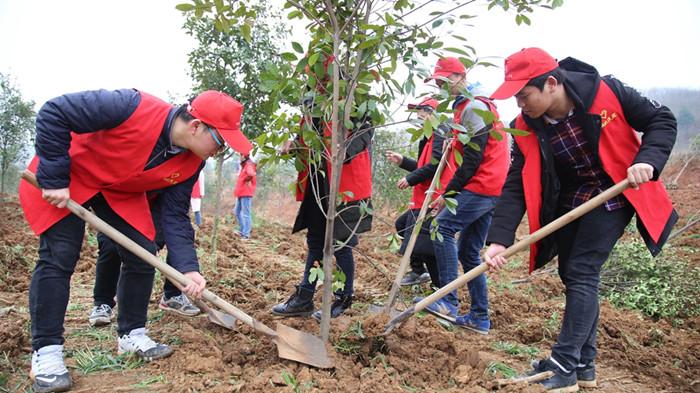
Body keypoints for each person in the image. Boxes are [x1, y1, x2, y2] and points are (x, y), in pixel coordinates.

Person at [19, 89, 251, 393]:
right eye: (220, 142)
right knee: (59, 255)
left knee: (144, 251)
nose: (220, 152)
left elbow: (175, 216)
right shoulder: (130, 105)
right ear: (196, 126)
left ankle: (131, 335)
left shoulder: (192, 163)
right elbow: (54, 112)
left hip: (118, 192)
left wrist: (189, 268)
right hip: (69, 176)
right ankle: (46, 353)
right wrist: (55, 177)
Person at [484, 48, 677, 391]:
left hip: (615, 192)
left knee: (582, 270)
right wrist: (499, 238)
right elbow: (516, 181)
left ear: (552, 84)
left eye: (524, 95)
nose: (520, 105)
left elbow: (661, 120)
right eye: (515, 98)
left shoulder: (607, 92)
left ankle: (563, 364)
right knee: (570, 272)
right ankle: (585, 365)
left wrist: (647, 159)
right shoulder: (524, 126)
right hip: (571, 198)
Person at [417, 57, 509, 336]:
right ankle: (480, 318)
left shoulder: (475, 107)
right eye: (439, 82)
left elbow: (471, 161)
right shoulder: (468, 107)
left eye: (447, 80)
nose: (443, 85)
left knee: (441, 228)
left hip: (483, 184)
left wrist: (449, 194)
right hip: (491, 186)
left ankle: (447, 302)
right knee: (469, 251)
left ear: (461, 76)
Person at [271, 99, 373, 321]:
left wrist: (344, 150)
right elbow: (309, 137)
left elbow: (366, 132)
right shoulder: (312, 98)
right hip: (317, 182)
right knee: (315, 241)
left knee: (341, 244)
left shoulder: (351, 96)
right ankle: (304, 298)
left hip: (343, 184)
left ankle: (343, 299)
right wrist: (294, 144)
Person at [88, 194, 201, 328]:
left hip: (160, 198)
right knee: (109, 245)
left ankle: (173, 295)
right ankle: (103, 302)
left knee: (175, 239)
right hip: (122, 196)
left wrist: (188, 268)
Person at [385, 97, 451, 288]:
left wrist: (410, 179)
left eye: (422, 112)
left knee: (426, 245)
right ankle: (421, 272)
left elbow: (435, 165)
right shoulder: (429, 138)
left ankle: (438, 286)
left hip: (433, 197)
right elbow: (423, 166)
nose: (418, 116)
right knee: (407, 230)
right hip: (424, 196)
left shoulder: (440, 133)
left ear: (432, 114)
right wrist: (403, 161)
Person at [233, 154, 257, 240]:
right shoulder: (244, 165)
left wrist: (248, 179)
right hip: (241, 192)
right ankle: (243, 230)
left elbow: (251, 174)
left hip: (246, 192)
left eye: (241, 155)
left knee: (246, 214)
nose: (240, 157)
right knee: (236, 211)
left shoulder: (248, 165)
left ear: (244, 156)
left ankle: (246, 234)